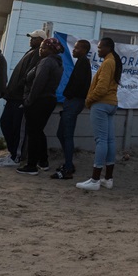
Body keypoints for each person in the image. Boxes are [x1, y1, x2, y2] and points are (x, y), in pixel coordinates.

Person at [76, 37, 121, 191]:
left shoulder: (108, 62)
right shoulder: (113, 60)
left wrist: (89, 100)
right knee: (109, 140)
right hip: (111, 104)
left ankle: (95, 180)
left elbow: (101, 88)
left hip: (101, 104)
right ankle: (108, 179)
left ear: (109, 47)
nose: (98, 49)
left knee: (101, 140)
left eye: (101, 47)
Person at [0, 30, 45, 168]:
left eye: (34, 38)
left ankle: (16, 157)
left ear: (41, 40)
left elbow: (28, 76)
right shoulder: (29, 52)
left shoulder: (37, 55)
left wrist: (17, 89)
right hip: (13, 97)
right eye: (31, 37)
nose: (31, 40)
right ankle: (12, 153)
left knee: (18, 127)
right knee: (5, 122)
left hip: (20, 97)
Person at [17, 37, 64, 175]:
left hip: (39, 100)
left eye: (43, 47)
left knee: (33, 132)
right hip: (48, 100)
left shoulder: (47, 62)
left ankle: (31, 166)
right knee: (38, 131)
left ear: (50, 50)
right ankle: (43, 161)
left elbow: (38, 83)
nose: (40, 50)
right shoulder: (57, 62)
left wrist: (28, 101)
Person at [52, 39, 91, 180]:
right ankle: (68, 163)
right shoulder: (80, 62)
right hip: (70, 102)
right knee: (60, 134)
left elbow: (80, 86)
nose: (73, 50)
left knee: (67, 135)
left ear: (84, 50)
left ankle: (68, 169)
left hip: (74, 102)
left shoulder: (83, 63)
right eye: (74, 48)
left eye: (77, 48)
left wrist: (69, 95)